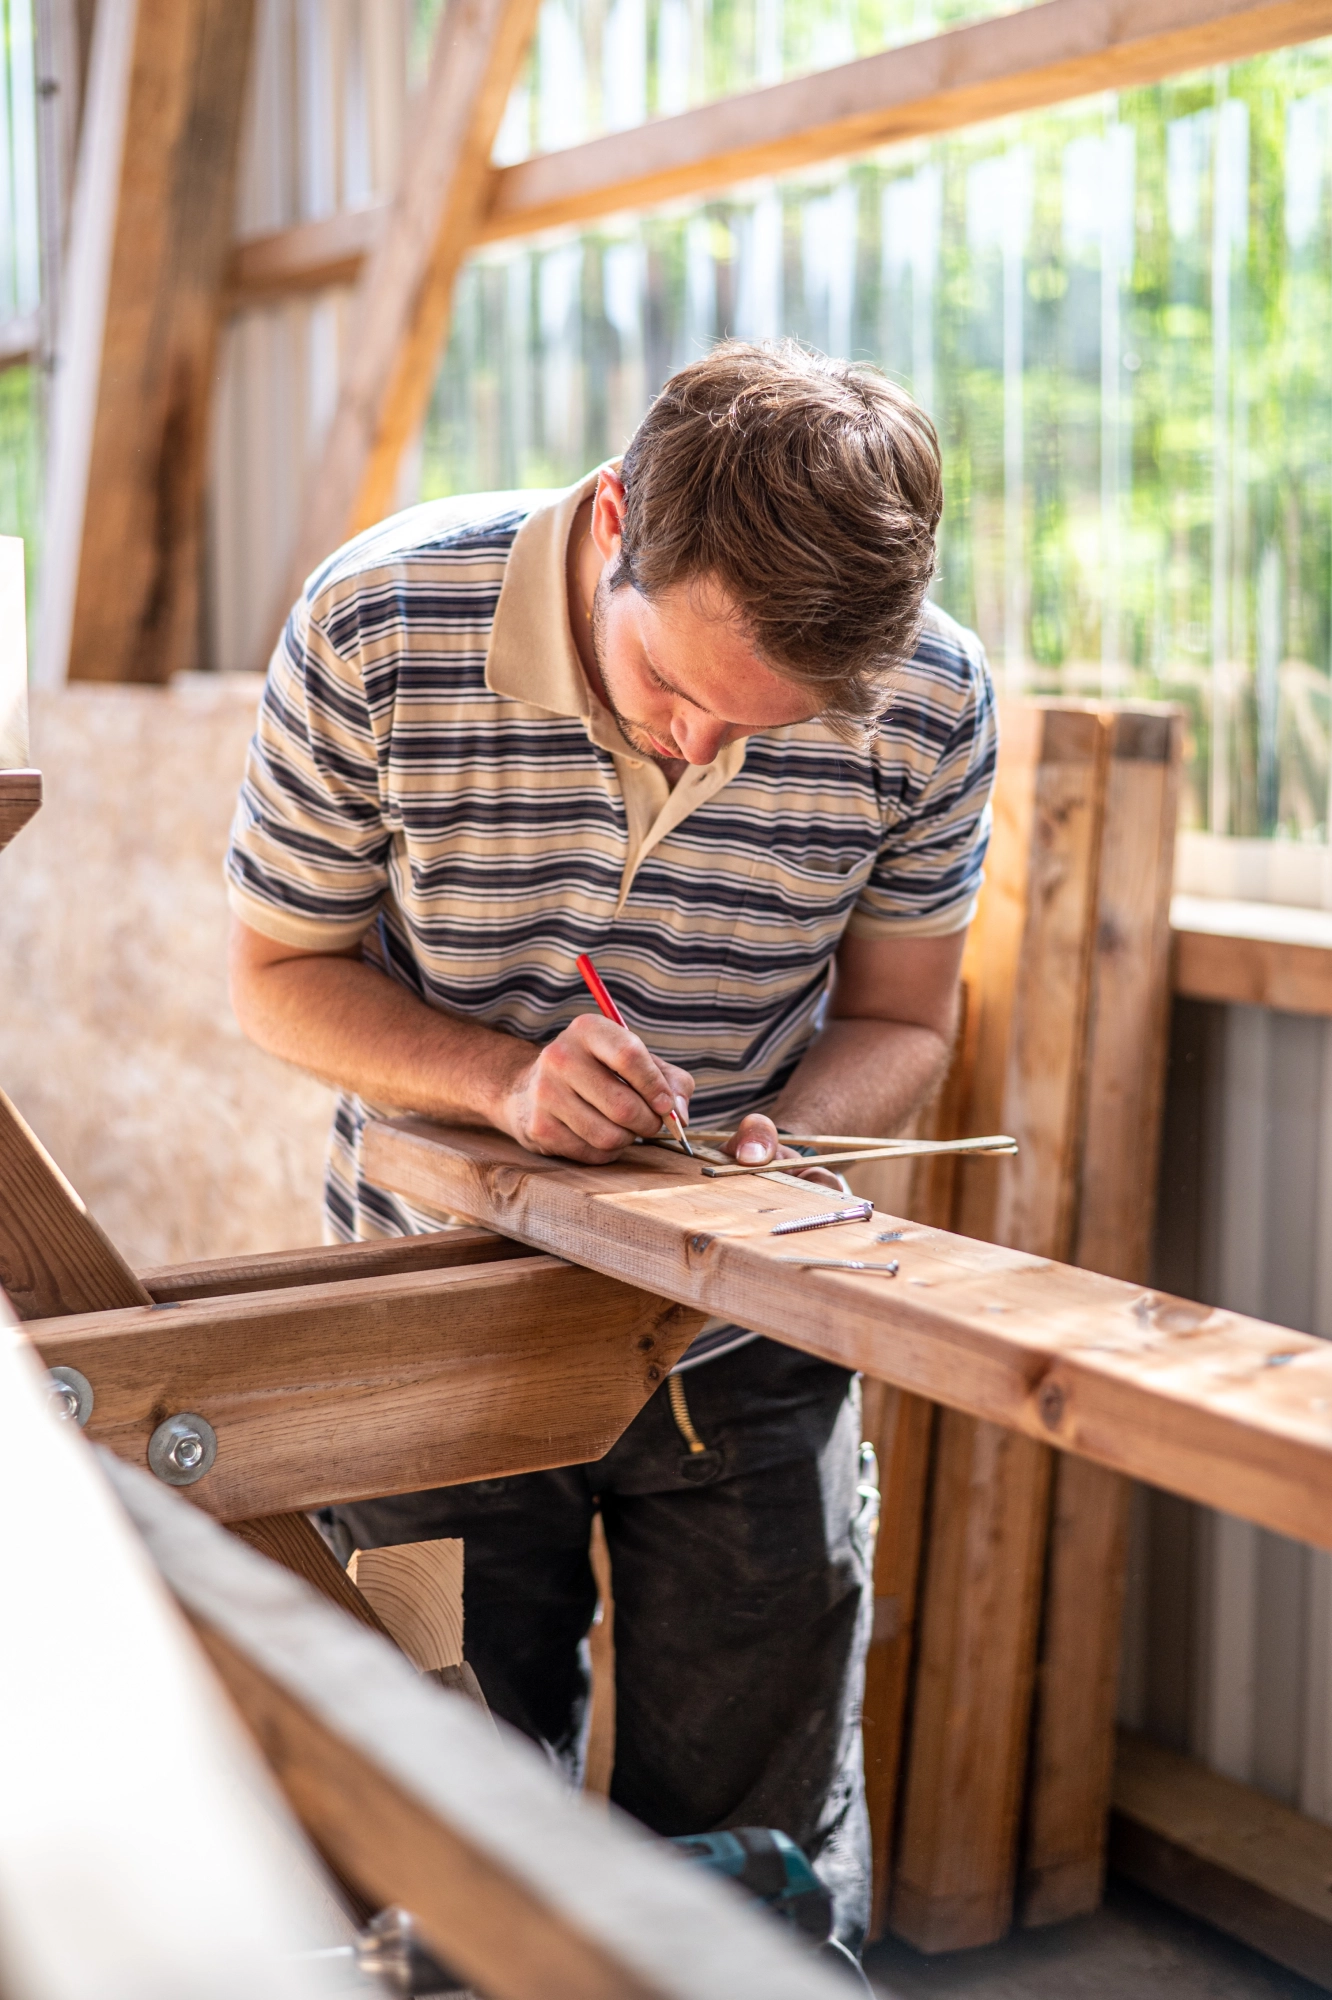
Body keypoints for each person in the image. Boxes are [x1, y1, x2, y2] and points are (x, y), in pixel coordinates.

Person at [226, 339, 996, 1950]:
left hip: (746, 1333)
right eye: (673, 690)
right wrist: (507, 1088)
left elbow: (907, 1022)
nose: (700, 751)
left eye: (760, 729)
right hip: (425, 1314)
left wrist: (799, 1131)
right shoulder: (378, 624)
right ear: (611, 524)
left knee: (756, 1860)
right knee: (438, 1870)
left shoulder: (929, 702)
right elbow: (278, 981)